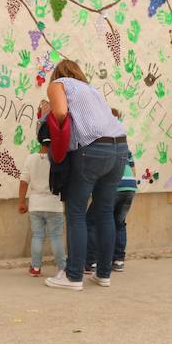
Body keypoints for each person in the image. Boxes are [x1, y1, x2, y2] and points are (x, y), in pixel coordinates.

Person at [43, 60, 128, 291]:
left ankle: (73, 276)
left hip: (92, 149)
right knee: (104, 212)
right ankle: (103, 274)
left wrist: (51, 118)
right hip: (119, 147)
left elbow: (60, 112)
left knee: (76, 212)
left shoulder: (58, 84)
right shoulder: (92, 90)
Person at [86, 109, 138, 274]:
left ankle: (91, 261)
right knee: (119, 223)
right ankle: (118, 260)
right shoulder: (123, 144)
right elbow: (133, 168)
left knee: (92, 221)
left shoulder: (103, 143)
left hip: (113, 186)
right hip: (130, 187)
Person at [19, 108, 66, 277]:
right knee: (55, 237)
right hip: (54, 204)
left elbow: (23, 181)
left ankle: (36, 267)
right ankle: (62, 267)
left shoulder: (31, 159)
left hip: (36, 205)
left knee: (37, 236)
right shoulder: (59, 160)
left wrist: (21, 202)